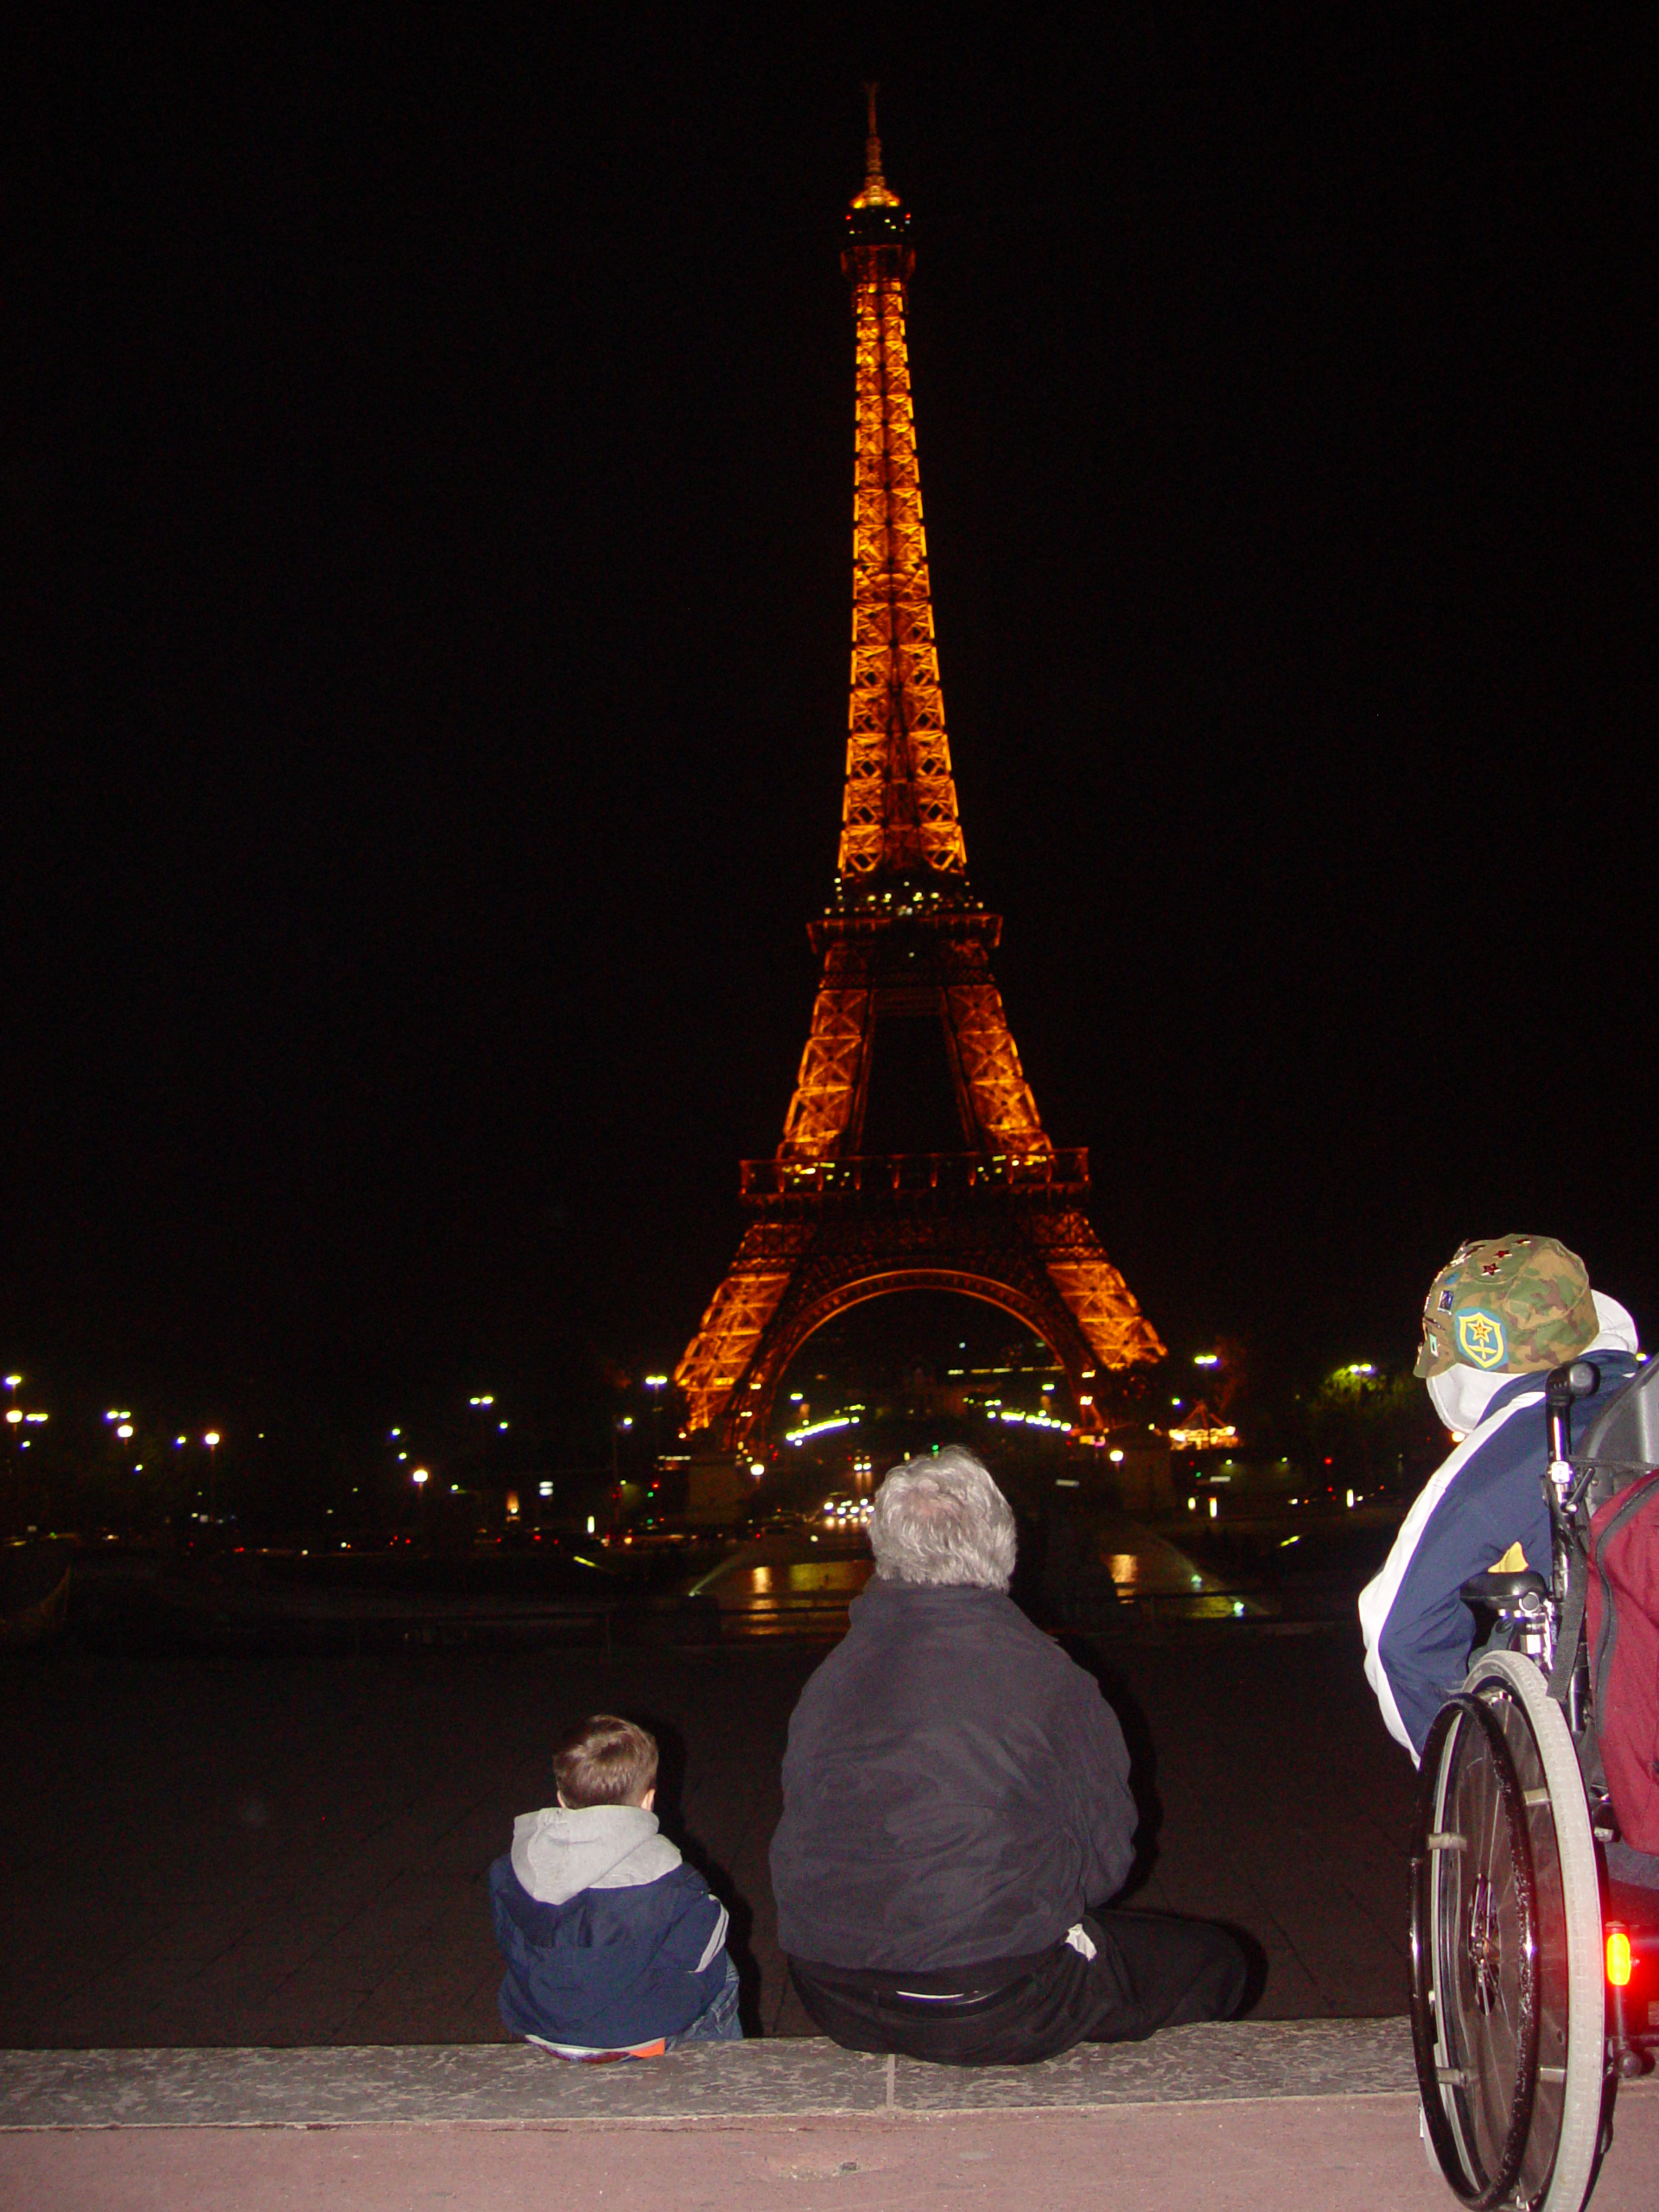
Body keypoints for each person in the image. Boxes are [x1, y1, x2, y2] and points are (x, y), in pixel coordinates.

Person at [769, 1446, 1249, 2065]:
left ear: (882, 1548)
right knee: (1217, 1963)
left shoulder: (831, 1678)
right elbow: (1105, 1867)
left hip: (829, 1991)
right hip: (989, 1998)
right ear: (1004, 1544)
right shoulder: (1048, 1676)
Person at [1359, 1236, 1642, 1764]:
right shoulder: (1644, 1393)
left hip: (1610, 1746)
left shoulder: (1523, 1436)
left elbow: (1397, 1631)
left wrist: (1462, 1774)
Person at [488, 1713, 741, 2059]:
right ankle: (724, 2081)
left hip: (539, 2024)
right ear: (648, 1800)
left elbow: (510, 1943)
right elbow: (698, 1951)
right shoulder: (670, 1879)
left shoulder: (512, 1867)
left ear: (561, 1798)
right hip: (636, 2033)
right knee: (723, 1970)